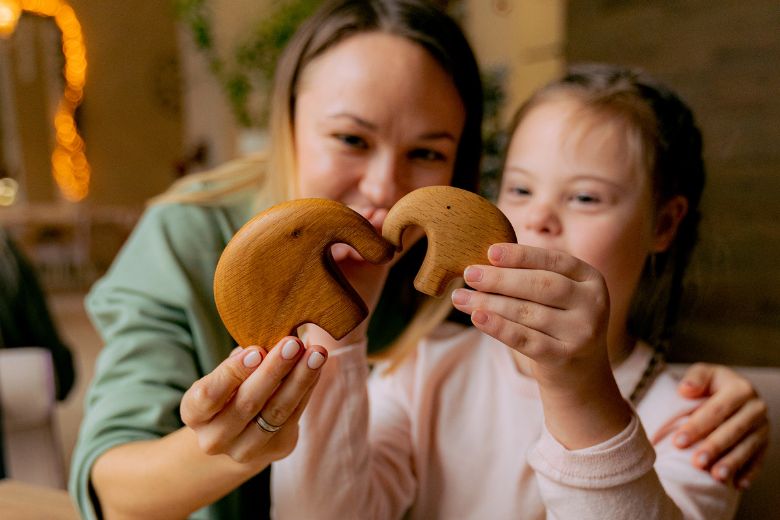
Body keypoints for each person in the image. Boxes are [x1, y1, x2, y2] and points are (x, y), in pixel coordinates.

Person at [69, 1, 767, 518]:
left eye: (428, 153)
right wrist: (243, 433)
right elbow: (111, 482)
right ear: (285, 127)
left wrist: (725, 388)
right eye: (349, 138)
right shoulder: (424, 368)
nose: (384, 189)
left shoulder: (443, 307)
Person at [266, 63, 768, 519]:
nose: (538, 219)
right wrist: (333, 327)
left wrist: (579, 390)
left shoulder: (700, 423)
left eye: (585, 197)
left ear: (663, 223)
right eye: (521, 190)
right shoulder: (424, 372)